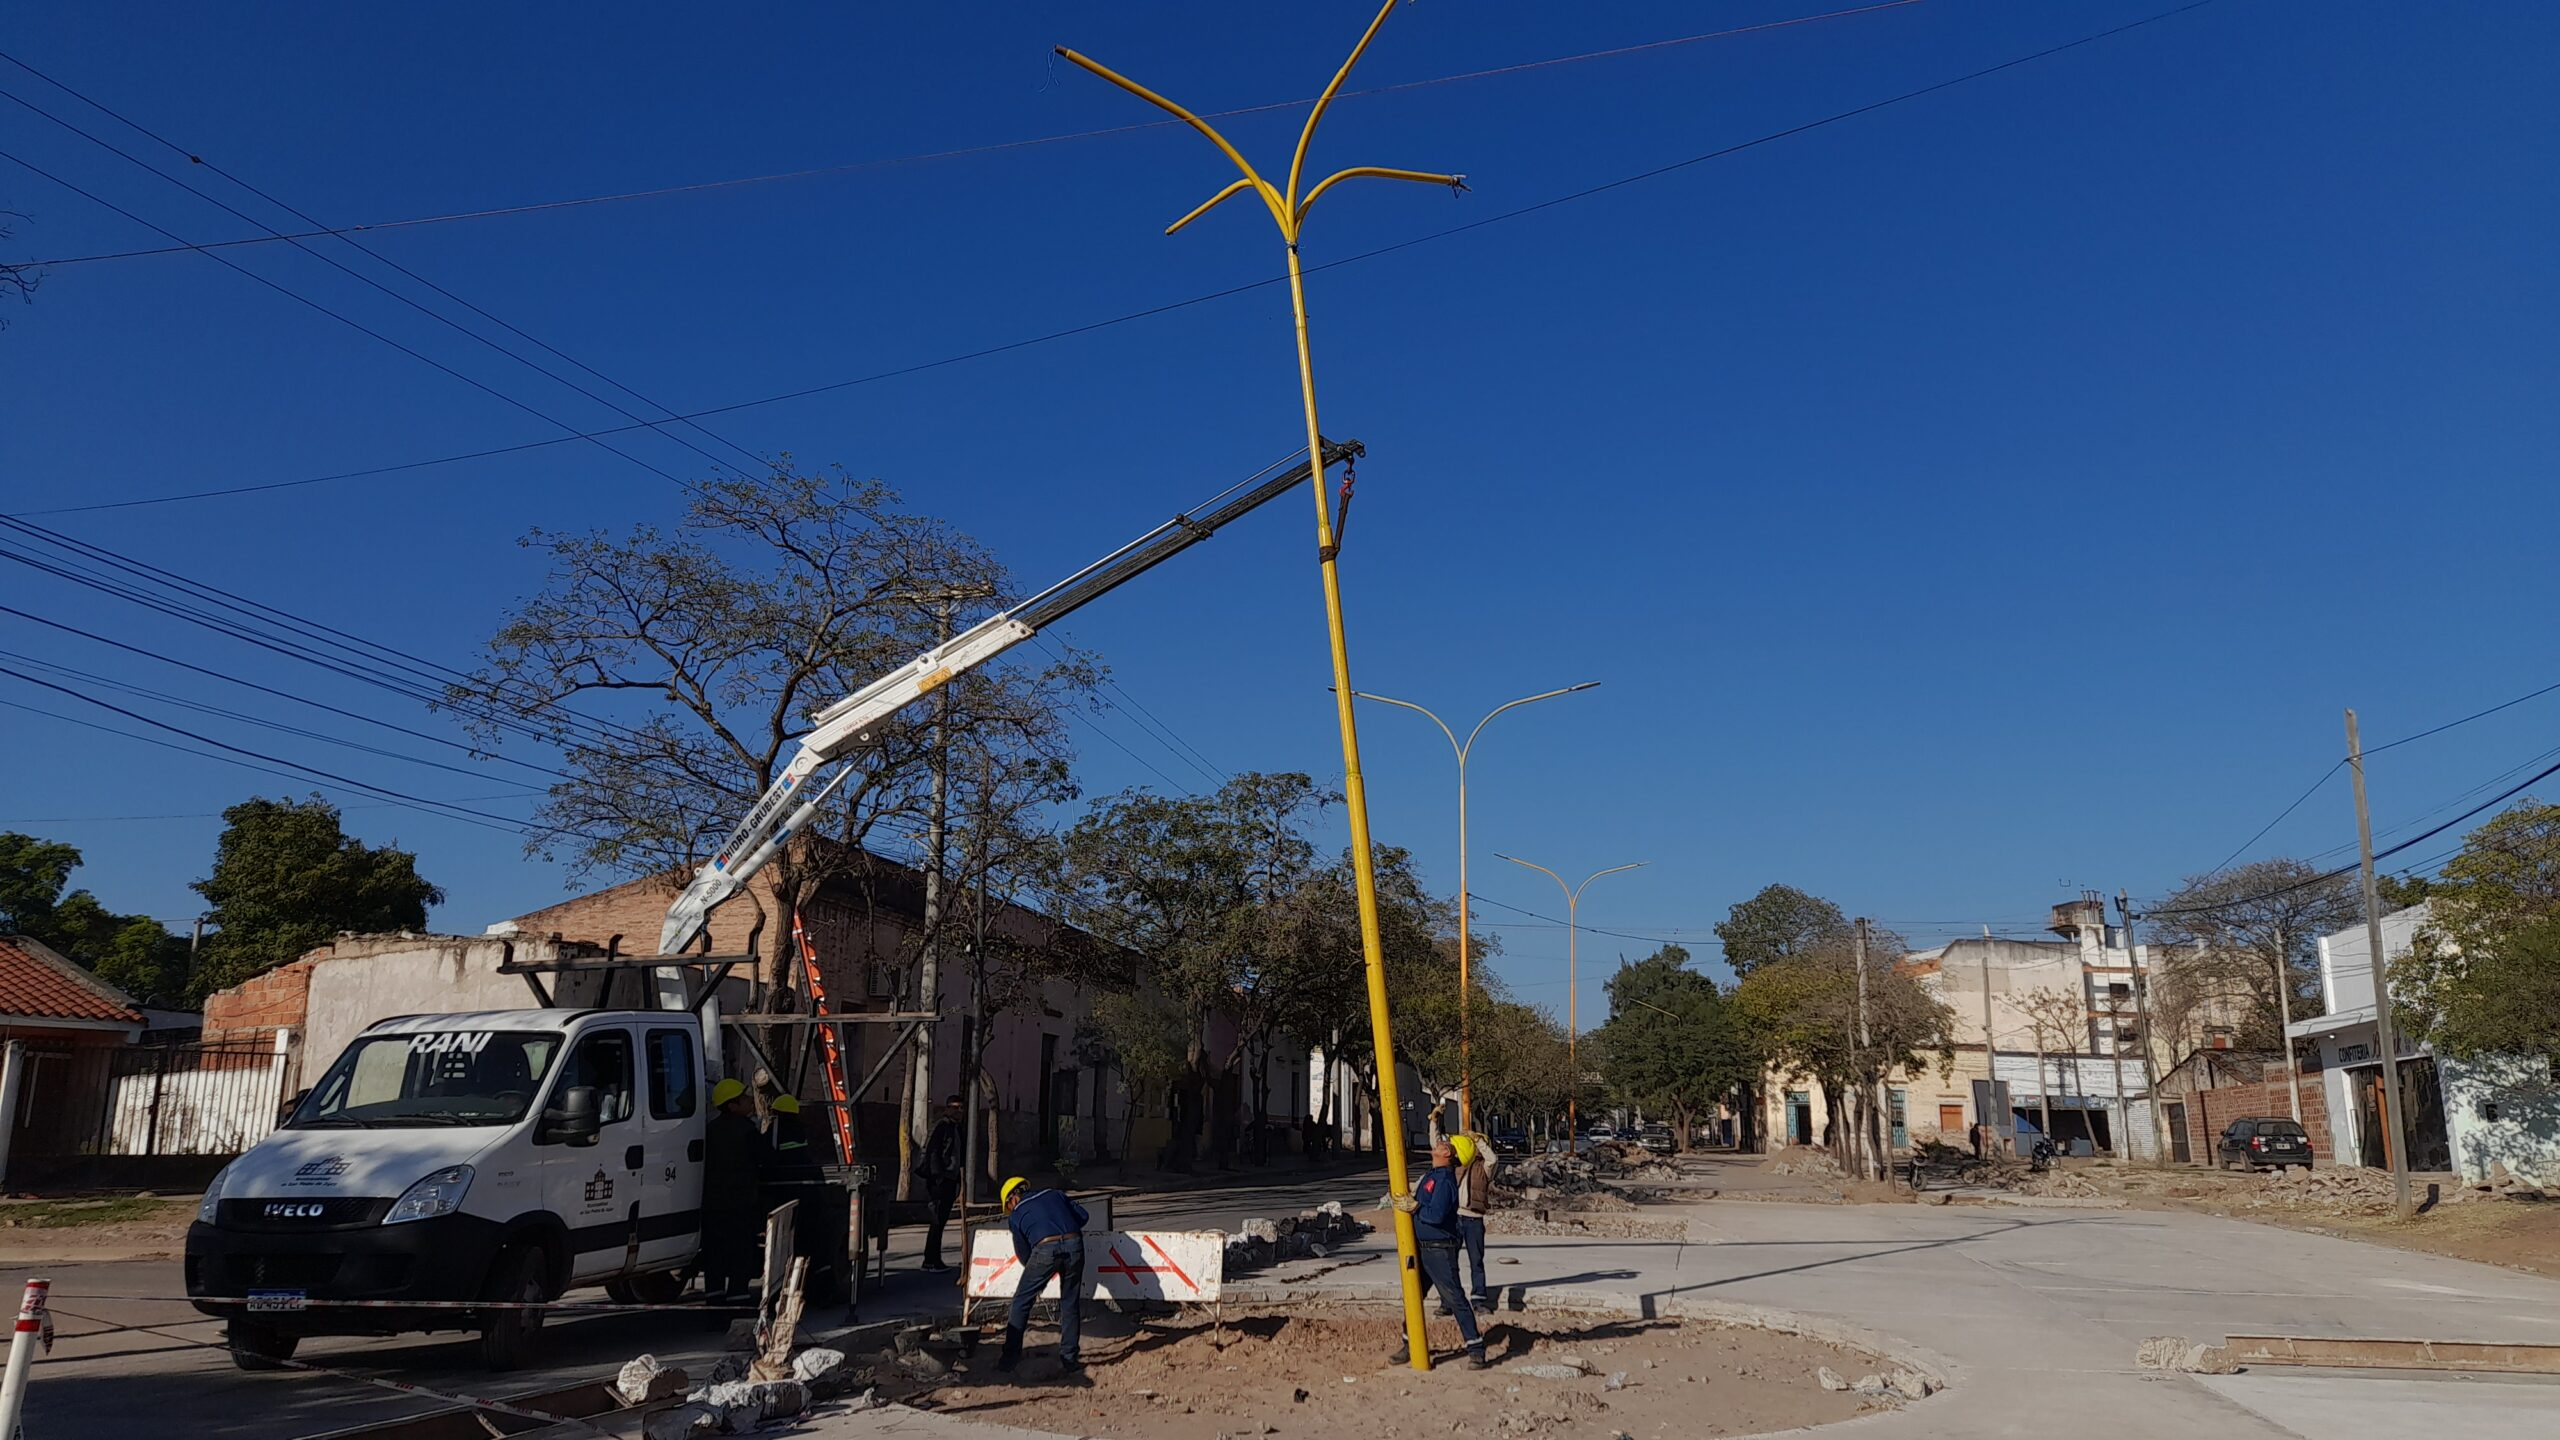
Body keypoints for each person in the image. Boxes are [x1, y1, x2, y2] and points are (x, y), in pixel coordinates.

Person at [1388, 1138, 1491, 1368]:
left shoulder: (1444, 1180)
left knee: (1455, 1298)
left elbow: (1436, 1215)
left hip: (1439, 1249)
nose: (1440, 1143)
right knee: (1413, 1296)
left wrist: (1416, 1207)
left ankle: (1476, 1349)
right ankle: (1410, 1344)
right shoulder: (1432, 1175)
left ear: (1449, 1155)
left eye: (1446, 1144)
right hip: (1422, 1247)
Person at [995, 1175, 1088, 1375]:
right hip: (1075, 1243)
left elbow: (1023, 1253)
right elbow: (1083, 1216)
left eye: (1009, 1206)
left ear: (1013, 1198)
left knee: (1021, 1302)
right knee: (1070, 1302)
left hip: (1045, 1249)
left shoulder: (1016, 1215)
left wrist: (1038, 1269)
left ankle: (1009, 1359)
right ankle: (1069, 1359)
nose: (1010, 1209)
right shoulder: (1055, 1194)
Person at [699, 1078, 769, 1307]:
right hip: (741, 1205)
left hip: (712, 1207)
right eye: (744, 1098)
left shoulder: (710, 1131)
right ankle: (738, 1301)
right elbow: (765, 1159)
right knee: (741, 1254)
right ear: (732, 1105)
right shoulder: (747, 1131)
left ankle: (714, 1303)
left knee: (715, 1256)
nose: (749, 1101)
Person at [916, 1096, 965, 1271]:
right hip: (940, 1181)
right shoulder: (942, 1127)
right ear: (948, 1108)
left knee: (941, 1220)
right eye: (956, 1108)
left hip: (949, 1179)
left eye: (961, 1108)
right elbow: (933, 1152)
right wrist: (939, 1177)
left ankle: (933, 1258)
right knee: (937, 1220)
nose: (959, 1112)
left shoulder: (955, 1128)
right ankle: (930, 1259)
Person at [1450, 1133, 1495, 1312]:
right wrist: (1434, 1124)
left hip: (1474, 1219)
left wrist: (1479, 1141)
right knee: (1450, 1261)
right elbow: (1438, 1145)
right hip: (1456, 1217)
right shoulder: (1458, 1164)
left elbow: (1492, 1158)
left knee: (1476, 1261)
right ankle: (1449, 1300)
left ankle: (1479, 1299)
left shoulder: (1485, 1168)